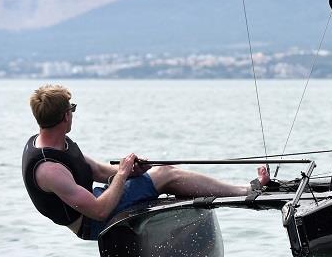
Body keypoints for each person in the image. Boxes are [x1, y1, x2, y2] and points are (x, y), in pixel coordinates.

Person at [22, 84, 269, 240]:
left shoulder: (54, 140)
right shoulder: (49, 169)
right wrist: (122, 175)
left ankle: (235, 192)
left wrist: (129, 171)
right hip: (92, 224)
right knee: (166, 175)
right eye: (72, 108)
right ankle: (248, 191)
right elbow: (99, 211)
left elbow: (96, 170)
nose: (73, 113)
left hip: (96, 200)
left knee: (152, 176)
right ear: (66, 116)